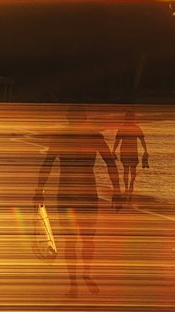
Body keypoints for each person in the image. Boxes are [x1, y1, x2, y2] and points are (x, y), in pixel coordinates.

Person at [34, 105, 121, 297]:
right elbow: (110, 163)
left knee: (74, 240)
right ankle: (80, 277)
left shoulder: (63, 137)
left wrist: (39, 191)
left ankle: (77, 280)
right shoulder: (92, 136)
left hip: (68, 194)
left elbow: (47, 164)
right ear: (83, 118)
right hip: (85, 195)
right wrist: (117, 190)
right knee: (84, 238)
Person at [113, 110, 149, 203]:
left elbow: (117, 141)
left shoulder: (123, 128)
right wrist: (145, 151)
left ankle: (127, 188)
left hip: (125, 152)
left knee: (126, 170)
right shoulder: (136, 128)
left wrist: (113, 151)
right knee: (132, 170)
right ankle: (130, 186)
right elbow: (142, 140)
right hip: (132, 152)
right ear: (133, 118)